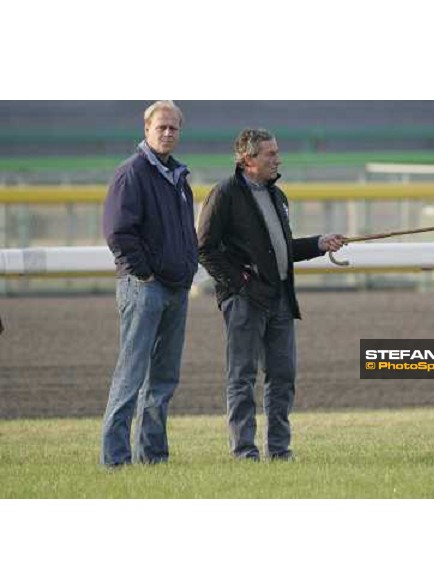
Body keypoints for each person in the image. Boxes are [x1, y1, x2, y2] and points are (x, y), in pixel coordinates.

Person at [197, 128, 344, 461]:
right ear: (248, 159)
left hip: (280, 300)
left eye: (277, 152)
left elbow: (280, 250)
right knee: (242, 377)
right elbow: (204, 249)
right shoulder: (224, 194)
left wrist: (319, 244)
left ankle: (280, 451)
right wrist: (240, 285)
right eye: (270, 154)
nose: (278, 158)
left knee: (283, 377)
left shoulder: (277, 196)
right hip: (245, 302)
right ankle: (244, 452)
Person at [101, 100, 198, 467]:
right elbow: (117, 232)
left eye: (174, 128)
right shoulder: (131, 173)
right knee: (131, 376)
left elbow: (185, 231)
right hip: (144, 288)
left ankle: (153, 457)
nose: (168, 133)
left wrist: (187, 267)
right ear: (147, 129)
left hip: (176, 287)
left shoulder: (178, 177)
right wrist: (143, 273)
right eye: (162, 127)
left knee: (163, 379)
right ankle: (115, 459)